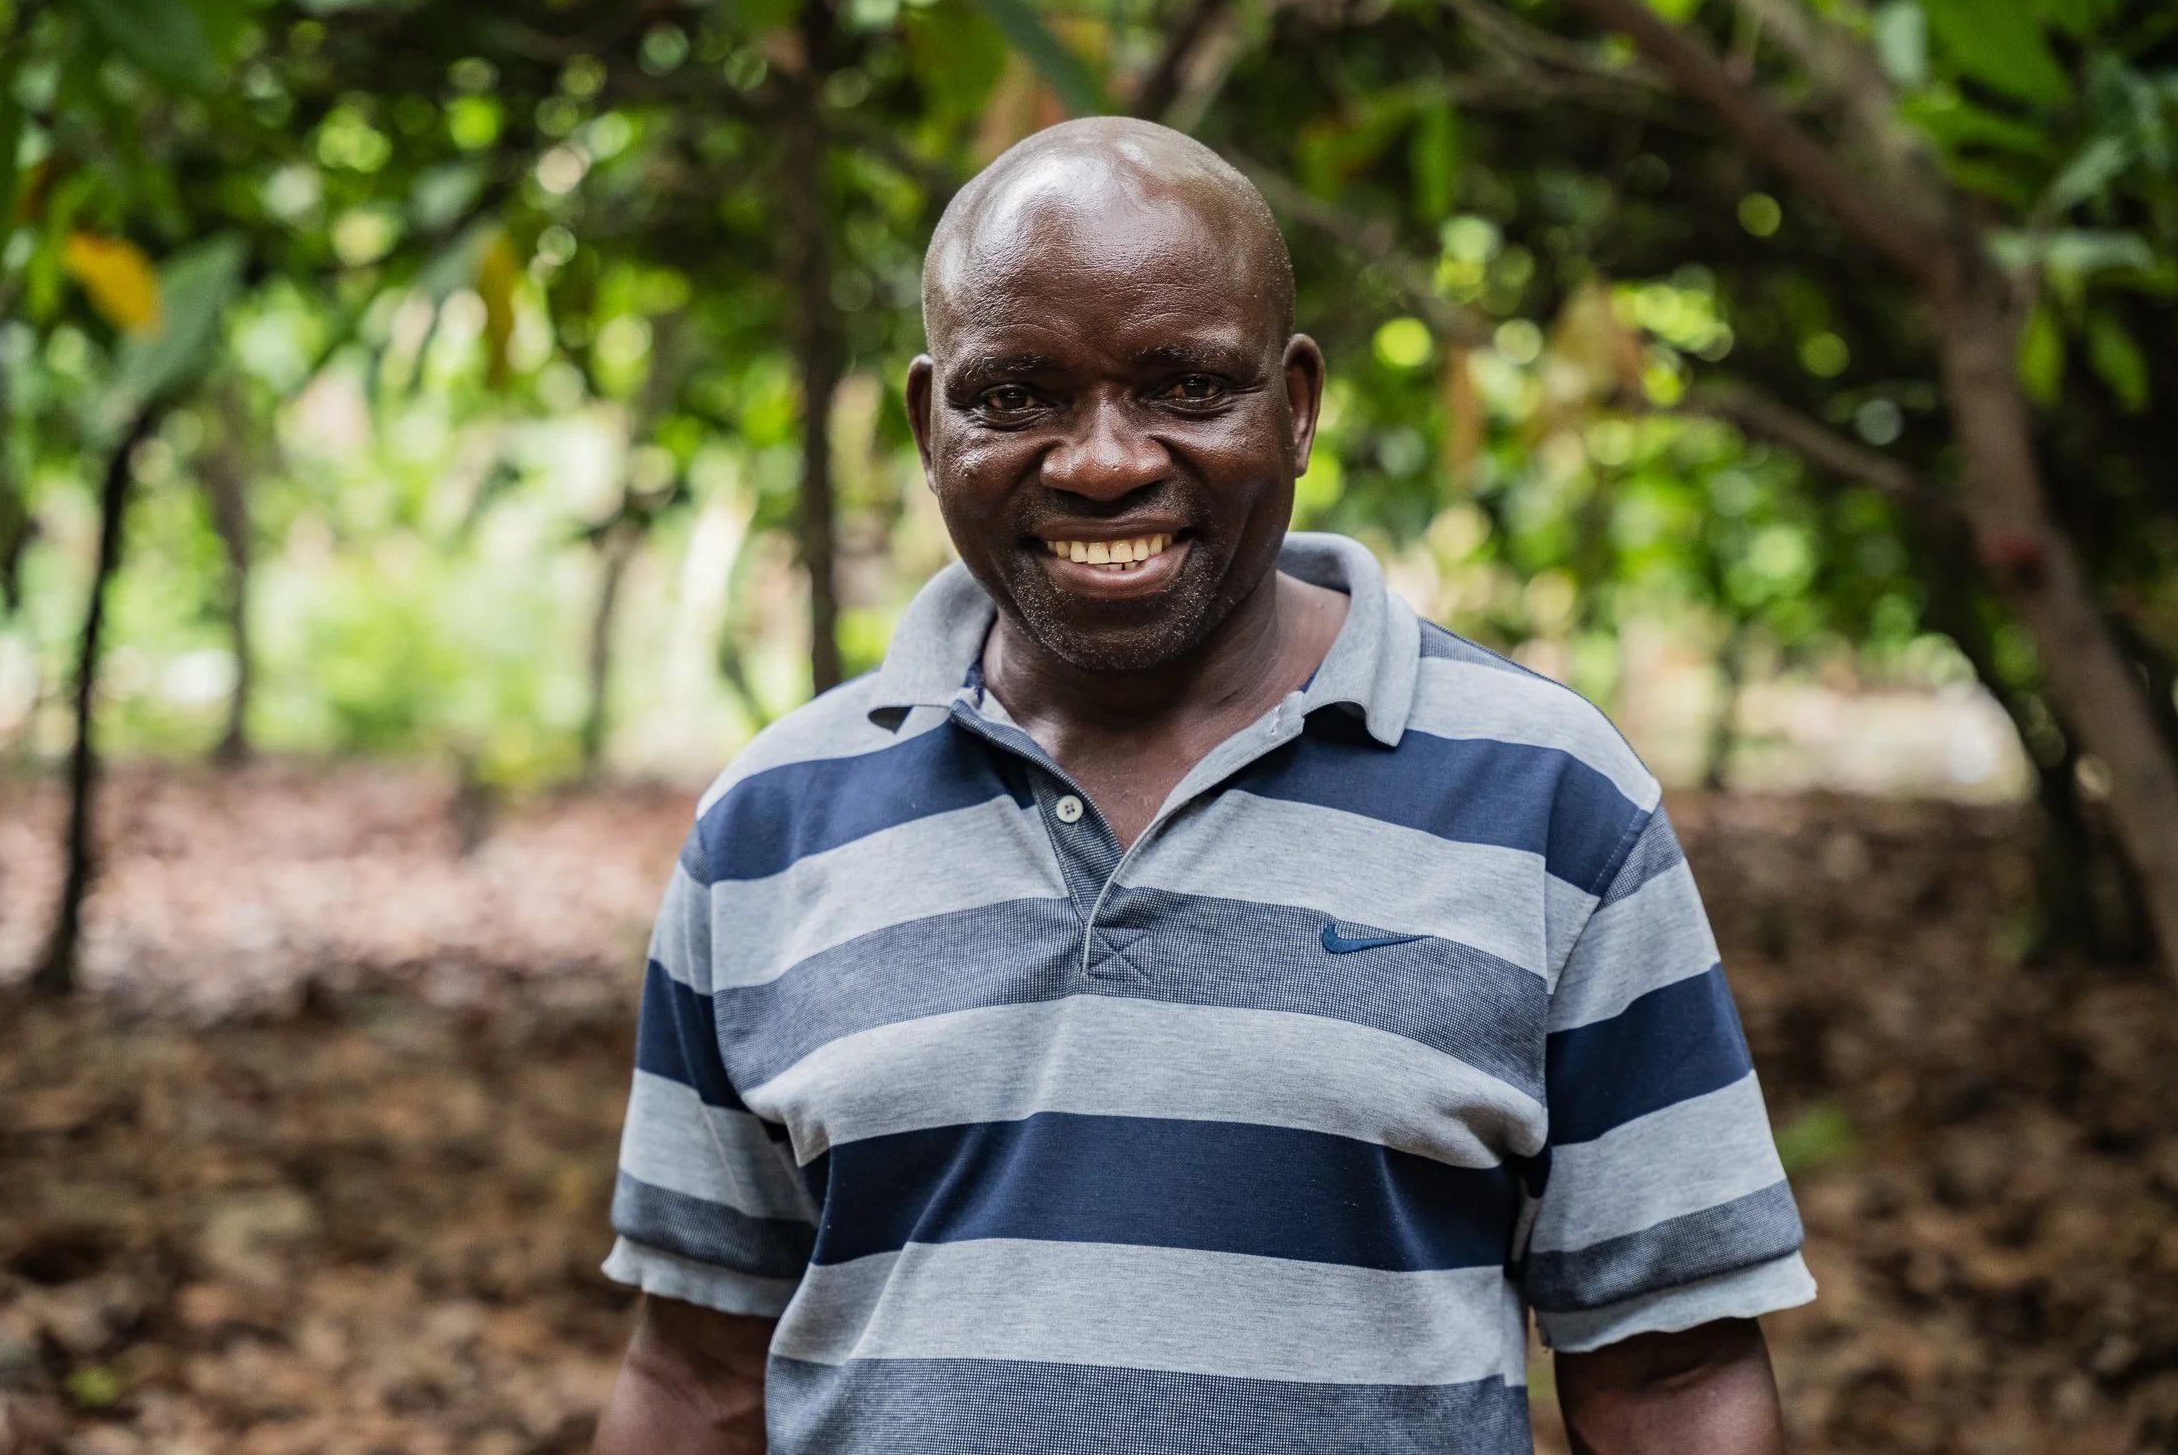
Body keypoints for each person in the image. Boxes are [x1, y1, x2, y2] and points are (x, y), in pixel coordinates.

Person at [591, 117, 1813, 1455]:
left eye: (1184, 386)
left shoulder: (1551, 800)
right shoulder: (771, 825)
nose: (1105, 461)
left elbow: (1672, 1370)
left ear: (1294, 408)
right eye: (1020, 395)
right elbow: (701, 1367)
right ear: (928, 419)